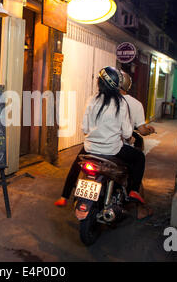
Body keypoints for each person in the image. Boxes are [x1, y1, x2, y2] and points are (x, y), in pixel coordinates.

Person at [54, 66, 152, 220]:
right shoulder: (121, 103)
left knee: (75, 165)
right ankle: (134, 190)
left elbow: (84, 128)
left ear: (99, 83)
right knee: (139, 157)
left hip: (90, 149)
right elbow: (127, 134)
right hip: (113, 150)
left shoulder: (91, 100)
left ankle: (65, 196)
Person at [119, 70, 155, 140]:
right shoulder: (136, 104)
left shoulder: (102, 100)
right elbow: (143, 131)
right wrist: (150, 130)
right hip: (121, 145)